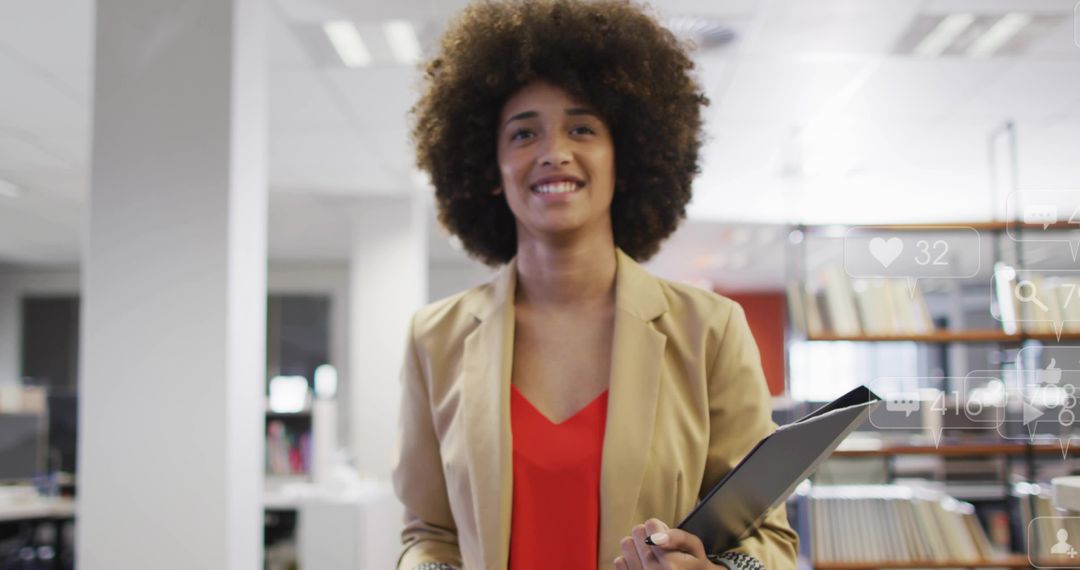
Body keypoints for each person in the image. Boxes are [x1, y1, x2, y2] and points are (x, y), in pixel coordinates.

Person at [393, 0, 799, 568]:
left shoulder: (709, 330)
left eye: (582, 128)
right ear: (489, 168)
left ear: (625, 155)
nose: (554, 152)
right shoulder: (434, 339)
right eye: (523, 133)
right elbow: (428, 532)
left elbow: (767, 537)